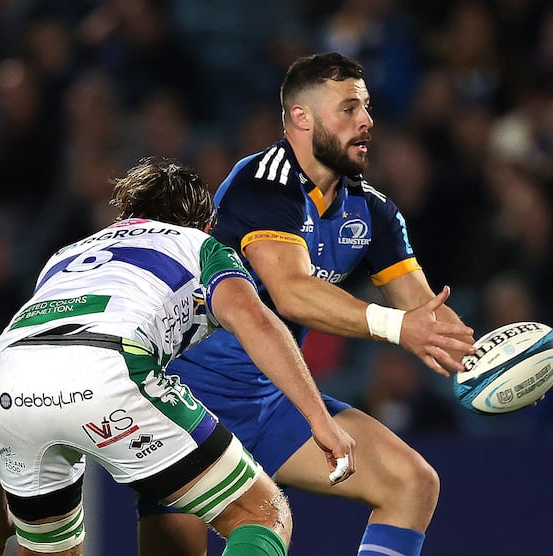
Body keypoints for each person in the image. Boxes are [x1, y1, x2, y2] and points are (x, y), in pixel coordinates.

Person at [138, 52, 477, 556]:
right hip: (188, 404)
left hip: (274, 402)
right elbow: (291, 293)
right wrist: (397, 326)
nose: (366, 122)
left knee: (412, 483)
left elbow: (423, 315)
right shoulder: (260, 183)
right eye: (348, 109)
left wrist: (496, 365)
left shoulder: (374, 212)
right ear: (302, 117)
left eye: (366, 108)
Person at [0, 157, 356, 556]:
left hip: (9, 396)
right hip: (112, 370)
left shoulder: (62, 259)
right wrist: (317, 417)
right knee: (260, 513)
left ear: (127, 214)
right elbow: (255, 320)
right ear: (206, 225)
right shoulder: (200, 245)